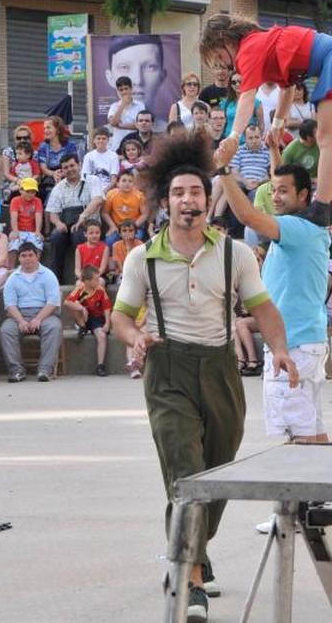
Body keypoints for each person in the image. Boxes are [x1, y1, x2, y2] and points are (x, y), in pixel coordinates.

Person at [109, 132, 296, 618]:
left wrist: (279, 350)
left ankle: (192, 548)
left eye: (195, 191)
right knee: (186, 475)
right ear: (164, 202)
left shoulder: (233, 253)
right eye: (178, 193)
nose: (188, 200)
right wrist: (135, 339)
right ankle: (188, 576)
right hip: (167, 369)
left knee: (218, 472)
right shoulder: (141, 257)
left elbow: (263, 306)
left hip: (219, 369)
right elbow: (121, 317)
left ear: (207, 198)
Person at [202, 14, 332, 228]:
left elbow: (248, 96)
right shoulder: (262, 44)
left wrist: (234, 136)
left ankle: (323, 207)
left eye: (219, 55)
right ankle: (323, 207)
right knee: (327, 138)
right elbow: (287, 87)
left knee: (326, 139)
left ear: (226, 40)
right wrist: (278, 125)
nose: (223, 64)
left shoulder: (248, 48)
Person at [220, 157, 331, 442]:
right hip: (305, 343)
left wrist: (222, 171)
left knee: (300, 441)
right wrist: (274, 149)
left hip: (291, 345)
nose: (275, 197)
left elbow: (247, 217)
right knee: (314, 433)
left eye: (283, 191)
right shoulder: (307, 229)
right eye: (273, 190)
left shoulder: (295, 229)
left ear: (304, 195)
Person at [0, 242, 63, 382]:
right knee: (6, 330)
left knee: (54, 327)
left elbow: (52, 302)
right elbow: (10, 304)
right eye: (23, 256)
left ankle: (45, 370)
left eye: (30, 255)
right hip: (18, 315)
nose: (27, 258)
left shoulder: (48, 275)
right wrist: (21, 320)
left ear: (37, 256)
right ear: (19, 258)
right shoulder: (13, 278)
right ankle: (16, 371)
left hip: (45, 314)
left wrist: (38, 319)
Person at [45, 154, 103, 278]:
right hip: (66, 225)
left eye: (72, 165)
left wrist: (83, 217)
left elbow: (98, 200)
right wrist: (58, 223)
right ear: (62, 170)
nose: (70, 169)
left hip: (88, 224)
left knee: (79, 235)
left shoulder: (92, 180)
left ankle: (84, 277)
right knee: (55, 236)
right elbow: (53, 213)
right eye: (65, 167)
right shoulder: (58, 188)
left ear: (79, 165)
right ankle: (56, 279)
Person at [104, 34, 173, 122]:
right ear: (110, 77)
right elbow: (113, 122)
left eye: (150, 67)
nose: (138, 80)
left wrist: (122, 126)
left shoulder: (165, 131)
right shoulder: (105, 133)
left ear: (162, 76)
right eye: (124, 67)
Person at [65, 266, 113, 375]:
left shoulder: (100, 290)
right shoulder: (80, 290)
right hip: (84, 316)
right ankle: (82, 327)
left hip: (97, 318)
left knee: (101, 336)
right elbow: (67, 302)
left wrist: (107, 323)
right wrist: (82, 308)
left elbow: (106, 307)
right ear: (86, 281)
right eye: (95, 279)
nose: (98, 281)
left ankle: (100, 365)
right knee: (75, 304)